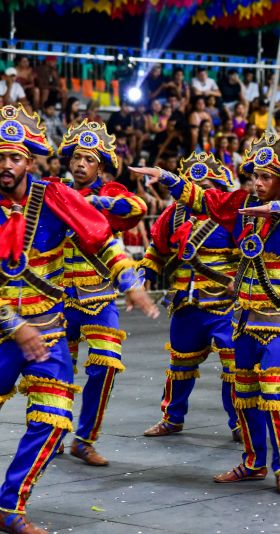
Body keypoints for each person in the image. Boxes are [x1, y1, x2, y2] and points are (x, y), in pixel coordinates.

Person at [132, 131, 280, 495]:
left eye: (266, 177)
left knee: (274, 392)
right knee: (245, 392)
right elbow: (207, 199)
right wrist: (169, 178)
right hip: (244, 319)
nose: (258, 183)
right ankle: (253, 463)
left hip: (279, 318)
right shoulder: (240, 205)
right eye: (254, 175)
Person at [0, 104, 155, 534]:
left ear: (29, 161)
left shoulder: (54, 196)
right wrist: (15, 325)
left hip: (48, 332)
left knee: (53, 420)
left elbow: (101, 236)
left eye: (15, 157)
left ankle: (10, 505)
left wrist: (130, 281)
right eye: (0, 156)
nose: (6, 165)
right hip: (6, 333)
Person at [56, 120, 154, 466]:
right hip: (58, 298)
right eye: (77, 158)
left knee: (107, 364)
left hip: (99, 295)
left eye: (89, 159)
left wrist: (92, 202)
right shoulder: (55, 191)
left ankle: (84, 439)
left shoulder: (111, 195)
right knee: (56, 372)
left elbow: (139, 208)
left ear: (100, 166)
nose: (81, 164)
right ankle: (54, 431)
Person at [139, 152, 240, 441]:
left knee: (234, 366)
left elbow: (249, 254)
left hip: (224, 306)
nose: (199, 191)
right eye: (194, 184)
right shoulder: (172, 214)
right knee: (180, 363)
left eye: (206, 185)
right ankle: (172, 418)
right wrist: (143, 276)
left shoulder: (230, 215)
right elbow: (156, 250)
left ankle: (238, 422)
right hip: (185, 305)